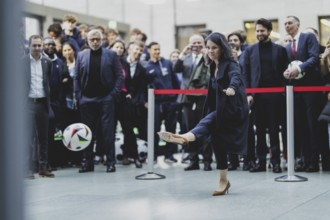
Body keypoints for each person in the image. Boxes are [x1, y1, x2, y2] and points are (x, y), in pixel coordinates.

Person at [159, 32, 249, 196]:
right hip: (219, 108)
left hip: (232, 109)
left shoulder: (230, 64)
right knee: (216, 140)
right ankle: (223, 180)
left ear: (222, 48)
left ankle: (185, 137)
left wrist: (232, 87)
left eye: (214, 47)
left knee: (208, 121)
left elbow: (236, 76)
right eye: (208, 48)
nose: (210, 51)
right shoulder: (213, 65)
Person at [74, 29, 124, 173]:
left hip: (105, 99)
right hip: (86, 100)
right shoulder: (81, 55)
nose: (95, 42)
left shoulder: (111, 55)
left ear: (102, 40)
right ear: (87, 41)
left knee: (108, 132)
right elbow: (76, 77)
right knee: (86, 133)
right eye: (92, 40)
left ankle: (110, 162)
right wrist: (79, 96)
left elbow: (119, 76)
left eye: (97, 39)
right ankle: (88, 163)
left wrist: (112, 95)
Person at [242, 18, 289, 173]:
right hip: (256, 97)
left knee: (274, 129)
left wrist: (283, 92)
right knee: (260, 130)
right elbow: (246, 73)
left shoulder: (280, 50)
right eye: (257, 31)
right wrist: (249, 94)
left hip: (275, 96)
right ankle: (261, 162)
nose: (259, 33)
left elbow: (285, 72)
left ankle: (275, 162)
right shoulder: (249, 50)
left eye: (262, 30)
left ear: (269, 31)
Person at [283, 15, 323, 172]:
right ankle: (305, 161)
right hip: (295, 90)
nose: (287, 25)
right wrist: (286, 72)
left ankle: (313, 161)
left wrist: (299, 68)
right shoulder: (287, 47)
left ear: (298, 24)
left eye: (290, 23)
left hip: (311, 89)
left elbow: (314, 58)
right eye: (285, 23)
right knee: (300, 126)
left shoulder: (308, 37)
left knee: (311, 124)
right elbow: (286, 65)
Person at [173, 34, 213, 171]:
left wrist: (207, 54)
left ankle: (207, 160)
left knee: (206, 127)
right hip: (187, 98)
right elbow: (175, 69)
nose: (197, 45)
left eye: (199, 43)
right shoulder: (186, 58)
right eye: (194, 43)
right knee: (190, 128)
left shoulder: (209, 56)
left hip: (204, 97)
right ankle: (193, 159)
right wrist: (183, 52)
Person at [23, 35, 55, 178]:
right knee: (28, 138)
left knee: (43, 138)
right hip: (27, 103)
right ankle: (27, 169)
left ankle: (43, 167)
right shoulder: (21, 62)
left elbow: (48, 82)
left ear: (42, 46)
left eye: (39, 45)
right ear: (29, 46)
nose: (37, 48)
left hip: (42, 104)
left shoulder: (47, 62)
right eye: (34, 45)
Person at [109, 39, 142, 168]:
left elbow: (130, 83)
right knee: (109, 129)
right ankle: (109, 157)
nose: (119, 49)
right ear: (110, 48)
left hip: (123, 98)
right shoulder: (106, 62)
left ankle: (132, 156)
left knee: (128, 128)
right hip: (110, 98)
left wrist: (130, 94)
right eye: (116, 47)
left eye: (121, 48)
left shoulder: (125, 63)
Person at [145, 42, 181, 163]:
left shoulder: (167, 63)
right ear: (149, 50)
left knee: (170, 129)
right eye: (155, 49)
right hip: (156, 103)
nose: (157, 52)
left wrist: (176, 98)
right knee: (155, 129)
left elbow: (175, 81)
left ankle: (169, 155)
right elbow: (144, 86)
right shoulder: (146, 67)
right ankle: (153, 155)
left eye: (159, 49)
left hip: (171, 101)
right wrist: (146, 101)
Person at [42, 37, 65, 170]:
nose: (50, 46)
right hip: (44, 101)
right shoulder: (40, 61)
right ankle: (44, 162)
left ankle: (54, 160)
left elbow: (64, 77)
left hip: (57, 101)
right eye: (47, 44)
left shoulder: (60, 62)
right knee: (46, 132)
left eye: (52, 44)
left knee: (55, 134)